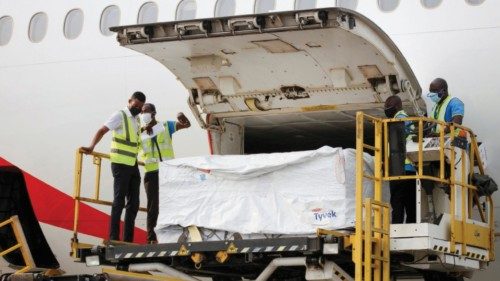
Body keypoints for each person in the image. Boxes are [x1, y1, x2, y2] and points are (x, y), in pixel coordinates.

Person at [82, 91, 146, 242]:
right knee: (119, 201)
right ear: (129, 101)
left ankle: (128, 239)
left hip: (132, 164)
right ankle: (114, 237)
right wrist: (92, 146)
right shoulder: (120, 115)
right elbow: (102, 130)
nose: (137, 109)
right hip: (120, 163)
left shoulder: (137, 119)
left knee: (134, 203)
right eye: (136, 105)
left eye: (140, 107)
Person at [139, 103, 191, 243]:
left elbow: (186, 125)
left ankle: (176, 236)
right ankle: (152, 238)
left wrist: (182, 116)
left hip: (168, 172)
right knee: (153, 207)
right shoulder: (140, 132)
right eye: (142, 112)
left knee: (172, 203)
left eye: (146, 111)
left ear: (154, 113)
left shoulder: (165, 126)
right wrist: (143, 129)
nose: (143, 114)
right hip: (151, 174)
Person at [384, 95, 416, 224]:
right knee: (410, 204)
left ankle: (397, 230)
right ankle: (411, 231)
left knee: (397, 203)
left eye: (388, 107)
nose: (386, 110)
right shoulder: (408, 119)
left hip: (399, 168)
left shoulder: (398, 120)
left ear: (397, 106)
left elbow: (396, 146)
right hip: (410, 168)